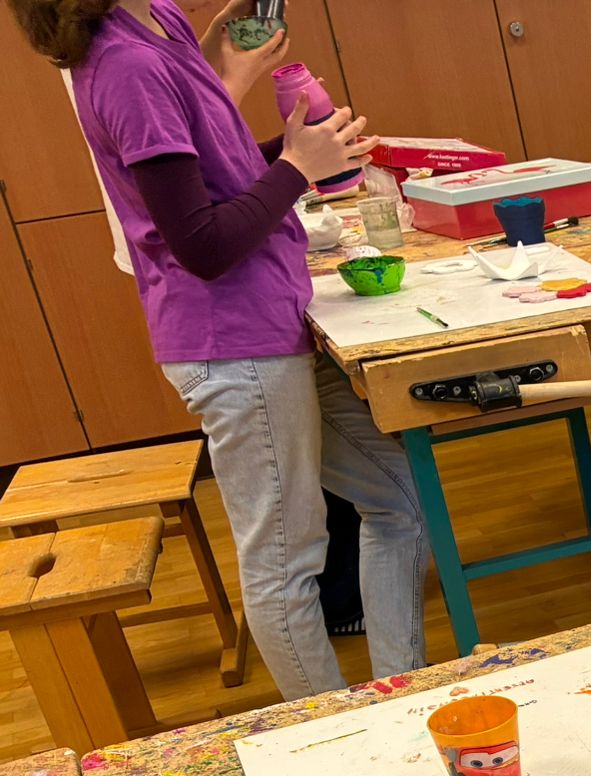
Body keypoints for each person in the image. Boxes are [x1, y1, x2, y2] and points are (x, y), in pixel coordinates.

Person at [9, 0, 430, 700]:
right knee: (285, 562)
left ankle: (398, 696)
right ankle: (332, 726)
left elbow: (216, 169)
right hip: (233, 345)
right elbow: (202, 245)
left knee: (400, 500)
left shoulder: (160, 22)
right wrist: (296, 166)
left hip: (272, 323)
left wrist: (308, 154)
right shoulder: (127, 66)